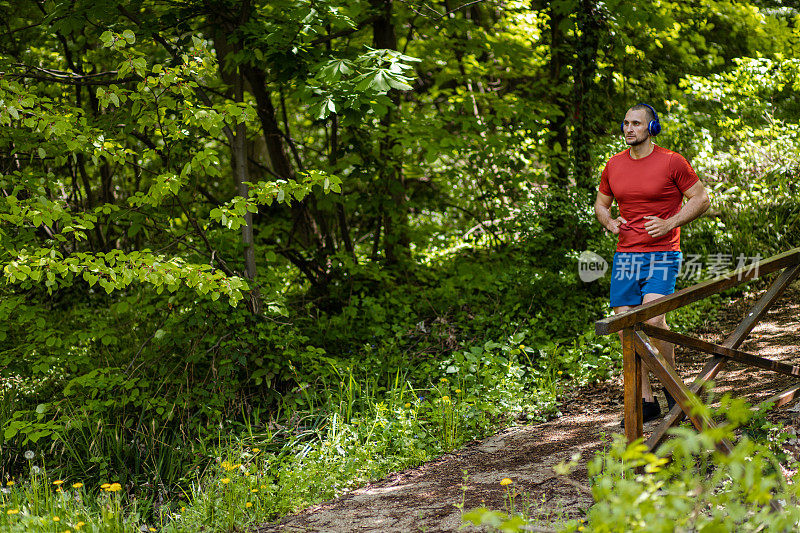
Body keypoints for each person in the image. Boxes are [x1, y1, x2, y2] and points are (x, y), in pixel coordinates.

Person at [594, 103, 710, 422]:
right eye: (625, 123)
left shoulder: (672, 162)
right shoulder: (614, 165)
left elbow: (701, 198)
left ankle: (673, 391)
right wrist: (609, 222)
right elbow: (601, 205)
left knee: (654, 321)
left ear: (651, 127)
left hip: (662, 253)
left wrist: (670, 223)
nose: (629, 128)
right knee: (625, 328)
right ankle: (646, 401)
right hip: (626, 257)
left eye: (636, 123)